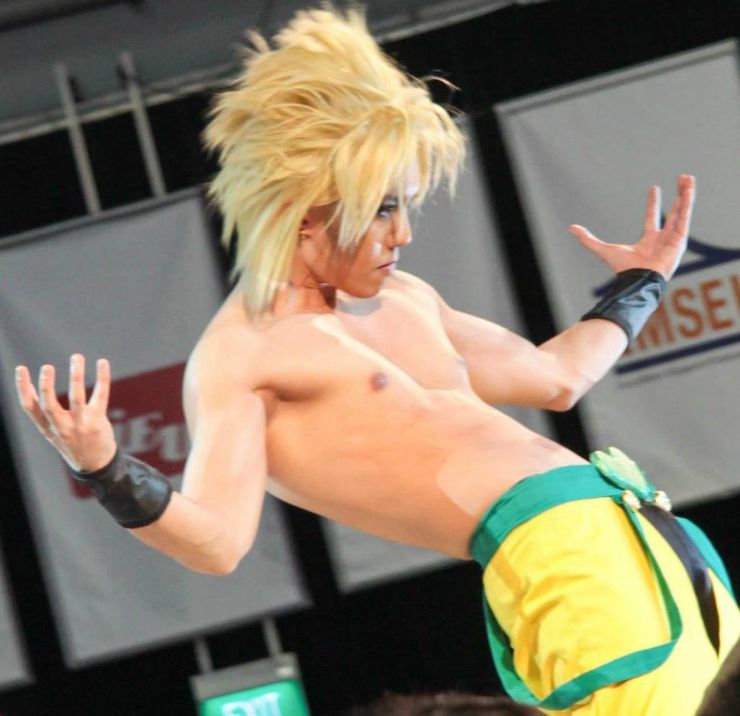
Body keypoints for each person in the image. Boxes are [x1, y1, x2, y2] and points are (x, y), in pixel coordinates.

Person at [13, 5, 739, 714]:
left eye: (406, 207)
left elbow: (558, 378)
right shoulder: (244, 355)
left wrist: (643, 283)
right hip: (565, 556)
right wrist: (103, 468)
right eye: (385, 209)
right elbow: (217, 545)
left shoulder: (406, 298)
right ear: (306, 213)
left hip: (648, 533)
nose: (404, 235)